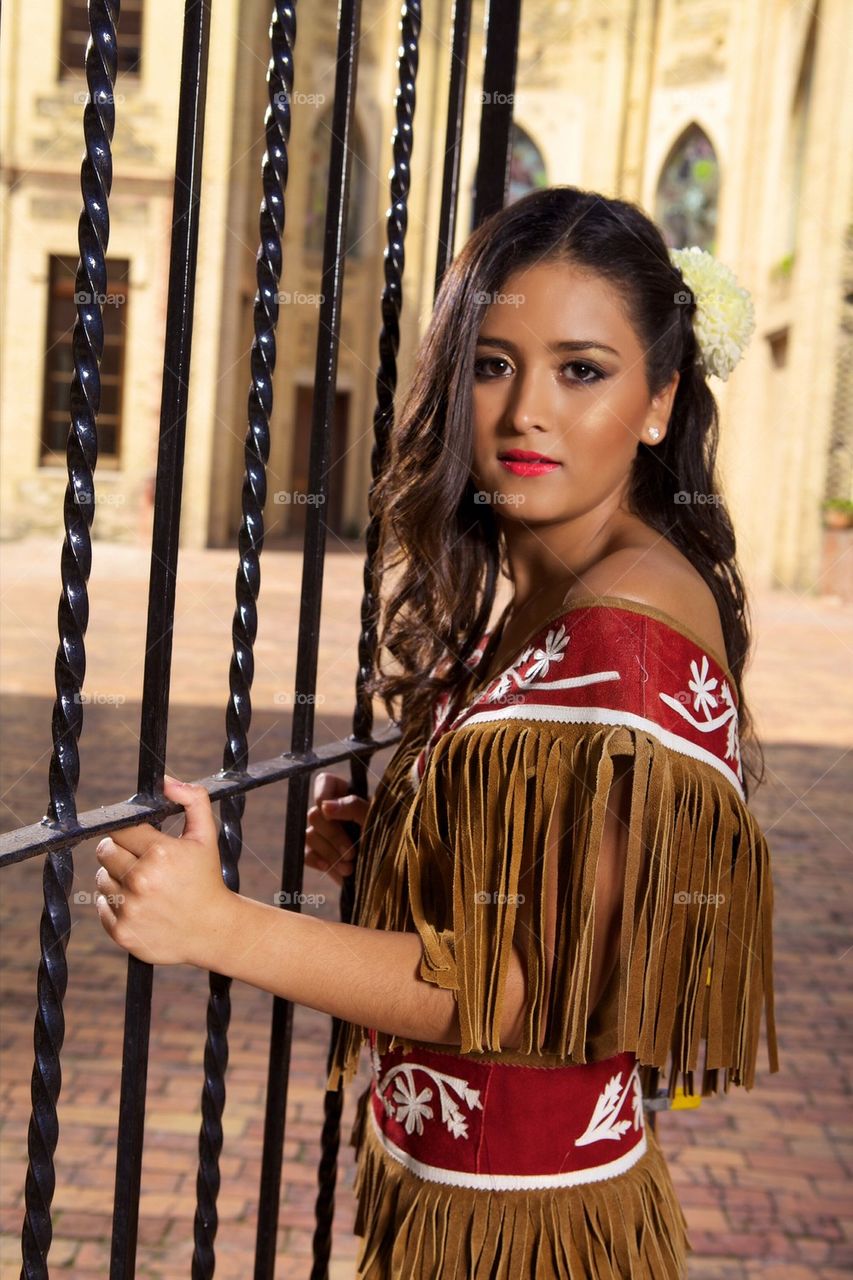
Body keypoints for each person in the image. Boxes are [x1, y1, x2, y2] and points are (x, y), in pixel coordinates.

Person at [94, 185, 779, 1278]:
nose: (525, 413)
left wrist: (219, 927)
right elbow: (553, 899)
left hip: (528, 1235)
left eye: (582, 369)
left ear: (659, 401)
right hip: (465, 1202)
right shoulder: (556, 589)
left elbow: (516, 986)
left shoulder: (626, 630)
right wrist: (403, 860)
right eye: (491, 363)